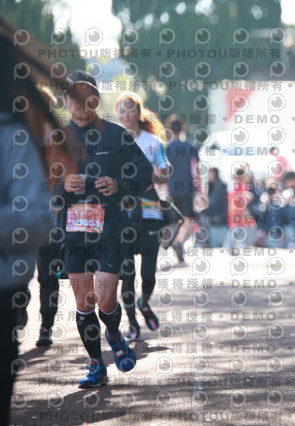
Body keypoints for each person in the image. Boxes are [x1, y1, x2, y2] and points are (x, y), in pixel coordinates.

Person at [0, 17, 76, 421]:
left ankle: (43, 323)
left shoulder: (14, 137)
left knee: (49, 277)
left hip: (62, 224)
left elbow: (38, 215)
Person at [59, 70, 153, 387]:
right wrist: (62, 186)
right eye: (73, 95)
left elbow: (145, 173)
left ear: (96, 100)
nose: (80, 102)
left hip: (109, 229)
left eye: (86, 95)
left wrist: (119, 184)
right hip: (73, 232)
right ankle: (96, 364)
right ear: (65, 101)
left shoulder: (117, 135)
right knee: (83, 302)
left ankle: (113, 333)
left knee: (104, 298)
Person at [115, 92, 170, 341]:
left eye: (130, 111)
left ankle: (144, 302)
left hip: (149, 209)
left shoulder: (152, 141)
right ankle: (132, 324)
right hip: (123, 212)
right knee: (126, 274)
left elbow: (163, 167)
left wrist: (162, 173)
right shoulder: (113, 139)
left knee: (148, 272)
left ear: (138, 113)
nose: (126, 116)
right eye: (122, 111)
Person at [164, 114, 203, 261]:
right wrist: (201, 189)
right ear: (183, 128)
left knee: (175, 220)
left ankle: (176, 242)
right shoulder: (190, 146)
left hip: (172, 190)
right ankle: (180, 242)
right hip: (187, 189)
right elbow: (196, 169)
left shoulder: (167, 148)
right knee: (191, 219)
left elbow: (163, 171)